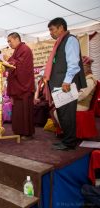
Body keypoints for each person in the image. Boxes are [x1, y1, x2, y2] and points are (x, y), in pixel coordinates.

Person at [44, 17, 86, 150]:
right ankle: (67, 140)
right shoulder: (60, 42)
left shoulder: (70, 40)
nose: (50, 33)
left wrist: (67, 81)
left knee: (67, 114)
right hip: (59, 84)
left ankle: (69, 143)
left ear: (61, 27)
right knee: (62, 113)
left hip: (66, 84)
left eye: (52, 29)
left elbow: (73, 64)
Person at [4, 32, 35, 140]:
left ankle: (27, 133)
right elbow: (13, 62)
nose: (9, 43)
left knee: (24, 110)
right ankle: (19, 131)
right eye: (8, 41)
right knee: (18, 112)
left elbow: (21, 66)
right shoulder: (17, 51)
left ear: (17, 39)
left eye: (10, 41)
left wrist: (10, 61)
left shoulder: (25, 49)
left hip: (24, 86)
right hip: (18, 87)